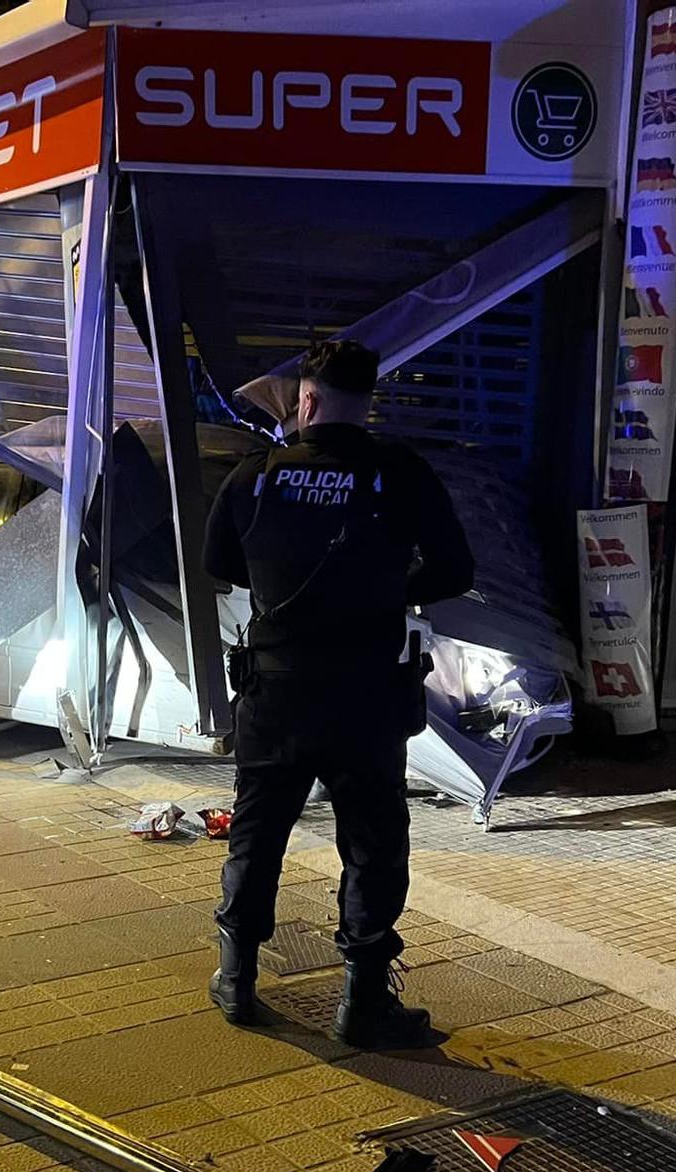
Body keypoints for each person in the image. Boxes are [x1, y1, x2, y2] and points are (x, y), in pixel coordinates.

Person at [202, 339, 476, 1049]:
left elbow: (218, 564)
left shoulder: (255, 475)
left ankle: (237, 981)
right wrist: (387, 591)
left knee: (258, 833)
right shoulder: (399, 474)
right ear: (367, 400)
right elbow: (454, 570)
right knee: (374, 843)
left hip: (276, 690)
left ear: (306, 399)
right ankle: (363, 1003)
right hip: (365, 694)